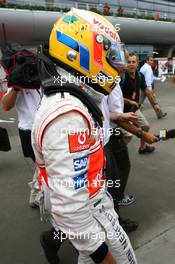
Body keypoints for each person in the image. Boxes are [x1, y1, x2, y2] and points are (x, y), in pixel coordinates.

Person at [32, 8, 139, 264]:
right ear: (82, 51)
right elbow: (69, 207)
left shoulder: (69, 99)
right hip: (92, 214)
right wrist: (103, 257)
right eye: (110, 55)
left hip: (96, 207)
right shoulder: (68, 114)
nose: (117, 65)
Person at [1, 48, 42, 207]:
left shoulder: (41, 78)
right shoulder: (17, 82)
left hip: (45, 129)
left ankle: (36, 194)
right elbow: (5, 106)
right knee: (44, 166)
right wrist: (17, 87)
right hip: (29, 131)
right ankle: (39, 195)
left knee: (44, 166)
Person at [120, 52, 157, 154]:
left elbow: (146, 90)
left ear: (137, 63)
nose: (131, 64)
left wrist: (155, 104)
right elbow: (114, 98)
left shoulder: (140, 76)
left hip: (134, 110)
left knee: (145, 127)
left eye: (133, 62)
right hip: (120, 112)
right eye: (129, 62)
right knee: (127, 136)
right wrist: (129, 101)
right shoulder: (121, 77)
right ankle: (115, 156)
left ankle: (143, 148)